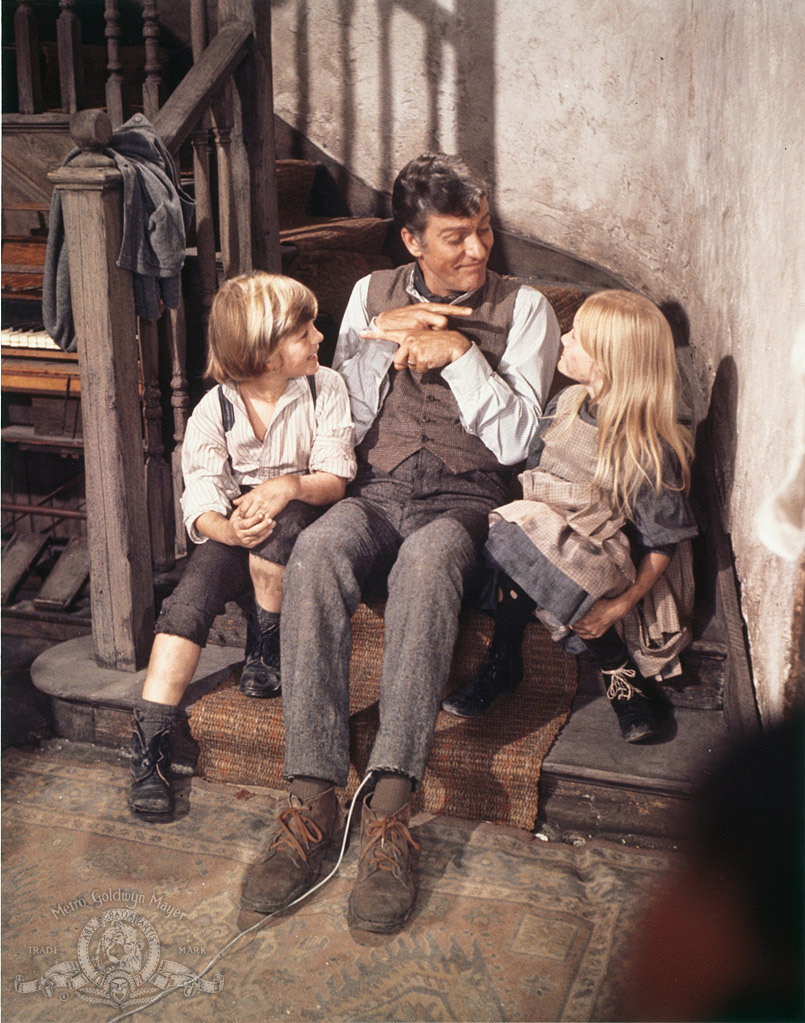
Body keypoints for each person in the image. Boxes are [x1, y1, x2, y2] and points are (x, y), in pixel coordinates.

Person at [238, 153, 561, 933]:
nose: (477, 251)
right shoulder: (365, 296)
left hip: (467, 497)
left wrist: (462, 357)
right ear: (412, 239)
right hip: (376, 487)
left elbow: (518, 439)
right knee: (314, 554)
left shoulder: (526, 309)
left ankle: (388, 810)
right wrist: (381, 346)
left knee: (424, 566)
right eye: (454, 237)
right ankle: (311, 797)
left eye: (482, 231)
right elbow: (340, 412)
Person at [128, 272, 356, 822]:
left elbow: (335, 476)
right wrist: (226, 529)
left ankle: (266, 645)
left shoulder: (326, 388)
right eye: (304, 332)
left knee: (278, 534)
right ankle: (150, 741)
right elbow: (202, 494)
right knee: (189, 601)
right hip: (239, 521)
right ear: (265, 352)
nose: (319, 338)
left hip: (304, 505)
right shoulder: (215, 408)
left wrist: (287, 487)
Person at [442, 289, 698, 741]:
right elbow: (534, 476)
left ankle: (606, 661)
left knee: (516, 533)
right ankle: (557, 662)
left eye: (577, 338)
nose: (563, 338)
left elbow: (662, 543)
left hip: (597, 553)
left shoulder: (647, 445)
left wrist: (618, 607)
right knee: (514, 531)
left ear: (608, 361)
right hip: (541, 536)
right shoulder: (566, 404)